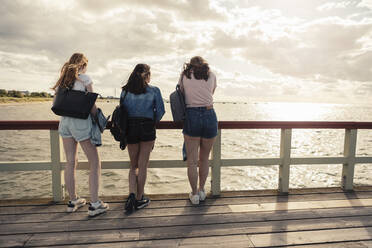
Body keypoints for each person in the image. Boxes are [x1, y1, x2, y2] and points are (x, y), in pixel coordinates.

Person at [52, 53, 109, 216]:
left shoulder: (63, 81)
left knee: (70, 161)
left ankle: (73, 200)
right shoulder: (85, 79)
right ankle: (95, 204)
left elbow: (55, 103)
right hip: (80, 122)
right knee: (95, 162)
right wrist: (99, 118)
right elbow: (91, 105)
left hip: (64, 123)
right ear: (83, 64)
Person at [120, 64, 165, 212]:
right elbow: (160, 112)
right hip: (147, 127)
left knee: (133, 165)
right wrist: (151, 121)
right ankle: (139, 199)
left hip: (130, 128)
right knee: (143, 165)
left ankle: (131, 194)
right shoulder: (154, 90)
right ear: (148, 75)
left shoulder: (125, 91)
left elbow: (122, 113)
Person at [178, 56, 217, 205]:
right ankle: (202, 190)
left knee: (192, 161)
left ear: (190, 65)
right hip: (209, 114)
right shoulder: (211, 75)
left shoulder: (185, 75)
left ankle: (194, 194)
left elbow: (181, 92)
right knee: (205, 158)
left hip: (191, 114)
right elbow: (212, 92)